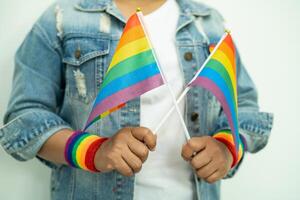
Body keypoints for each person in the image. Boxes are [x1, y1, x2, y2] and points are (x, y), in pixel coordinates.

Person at [0, 0, 273, 199]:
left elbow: (244, 106)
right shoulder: (62, 19)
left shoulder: (209, 24)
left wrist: (227, 147)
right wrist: (96, 151)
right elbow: (24, 119)